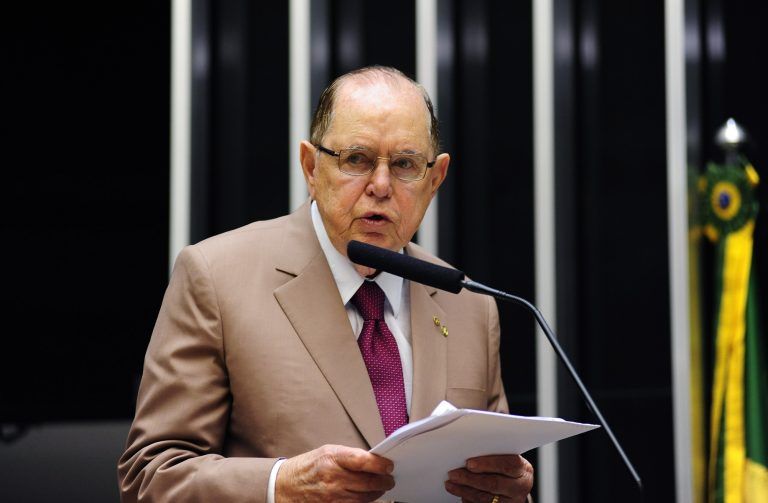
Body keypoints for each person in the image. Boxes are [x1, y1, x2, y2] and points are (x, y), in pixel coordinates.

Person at [118, 66, 534, 502]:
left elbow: (493, 480)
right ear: (311, 167)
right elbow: (150, 475)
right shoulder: (217, 277)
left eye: (405, 165)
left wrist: (508, 492)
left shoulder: (470, 305)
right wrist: (280, 486)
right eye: (356, 159)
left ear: (435, 179)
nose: (380, 185)